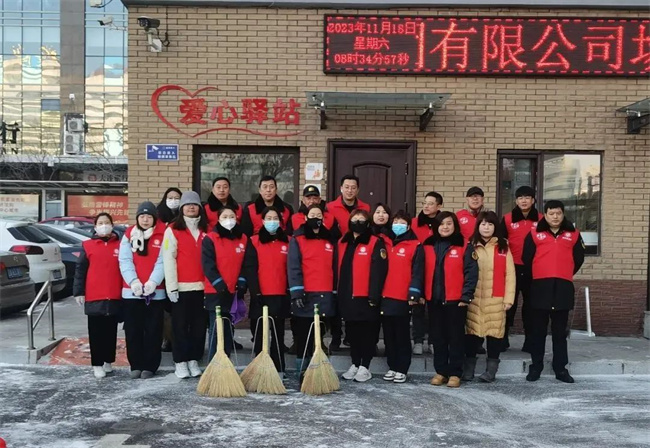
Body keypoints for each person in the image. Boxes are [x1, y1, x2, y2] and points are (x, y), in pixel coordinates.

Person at [522, 200, 585, 384]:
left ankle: (560, 368)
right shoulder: (534, 233)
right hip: (540, 287)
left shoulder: (573, 234)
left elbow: (579, 259)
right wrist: (540, 273)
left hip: (563, 288)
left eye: (558, 213)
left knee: (559, 333)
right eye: (551, 213)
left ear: (563, 214)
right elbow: (527, 258)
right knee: (538, 331)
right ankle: (536, 367)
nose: (555, 217)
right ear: (545, 215)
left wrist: (564, 272)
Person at [424, 211, 478, 388]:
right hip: (434, 299)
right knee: (438, 337)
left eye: (449, 223)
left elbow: (471, 272)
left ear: (455, 226)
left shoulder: (464, 245)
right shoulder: (428, 245)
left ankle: (455, 372)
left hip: (456, 300)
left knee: (455, 337)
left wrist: (466, 295)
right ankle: (441, 371)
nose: (445, 227)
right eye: (441, 224)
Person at [462, 211, 515, 383]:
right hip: (474, 297)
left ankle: (491, 371)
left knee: (494, 334)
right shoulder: (470, 245)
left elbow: (510, 275)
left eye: (490, 224)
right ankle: (468, 368)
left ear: (495, 227)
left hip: (496, 297)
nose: (486, 227)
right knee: (471, 334)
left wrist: (508, 299)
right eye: (483, 224)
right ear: (478, 226)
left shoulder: (503, 247)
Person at [338, 209, 388, 383]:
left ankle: (365, 366)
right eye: (355, 219)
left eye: (361, 219)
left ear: (367, 223)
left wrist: (374, 295)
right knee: (352, 332)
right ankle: (355, 363)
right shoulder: (343, 242)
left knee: (367, 333)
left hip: (366, 296)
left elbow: (379, 271)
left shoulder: (375, 242)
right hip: (347, 295)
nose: (357, 222)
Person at [162, 191, 208, 379]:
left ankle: (193, 359)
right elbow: (168, 258)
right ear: (182, 208)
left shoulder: (206, 230)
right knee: (180, 326)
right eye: (187, 204)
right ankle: (180, 361)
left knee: (199, 327)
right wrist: (171, 287)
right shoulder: (173, 229)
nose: (191, 207)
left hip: (203, 288)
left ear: (199, 208)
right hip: (181, 288)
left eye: (194, 204)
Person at [287, 204, 337, 378]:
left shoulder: (329, 239)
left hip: (325, 292)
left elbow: (334, 267)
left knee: (320, 332)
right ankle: (302, 367)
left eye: (319, 215)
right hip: (305, 293)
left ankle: (317, 369)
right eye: (312, 214)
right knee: (303, 333)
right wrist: (297, 291)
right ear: (306, 217)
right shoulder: (298, 239)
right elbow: (293, 266)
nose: (316, 218)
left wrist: (335, 290)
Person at [119, 202, 166, 379]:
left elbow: (163, 260)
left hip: (155, 292)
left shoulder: (163, 234)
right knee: (133, 330)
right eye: (142, 216)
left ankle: (150, 366)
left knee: (153, 331)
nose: (145, 220)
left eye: (149, 216)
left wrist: (154, 281)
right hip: (132, 292)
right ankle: (135, 364)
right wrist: (133, 281)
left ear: (154, 218)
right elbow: (124, 260)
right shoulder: (129, 234)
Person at [73, 213, 122, 379]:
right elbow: (80, 270)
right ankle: (97, 363)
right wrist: (79, 291)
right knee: (96, 332)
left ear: (112, 225)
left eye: (107, 222)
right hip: (94, 295)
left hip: (114, 294)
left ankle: (108, 360)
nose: (104, 226)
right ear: (95, 227)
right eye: (100, 223)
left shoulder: (120, 245)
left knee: (111, 331)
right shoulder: (88, 246)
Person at [244, 206, 291, 374]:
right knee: (260, 335)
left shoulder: (288, 241)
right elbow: (250, 268)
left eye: (275, 218)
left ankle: (279, 369)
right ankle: (259, 370)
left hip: (280, 293)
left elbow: (291, 268)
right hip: (260, 294)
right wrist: (255, 291)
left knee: (278, 335)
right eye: (269, 219)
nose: (272, 222)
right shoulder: (254, 241)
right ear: (263, 221)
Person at [202, 206, 251, 362]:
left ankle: (226, 363)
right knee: (216, 330)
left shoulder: (243, 238)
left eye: (232, 216)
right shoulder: (210, 238)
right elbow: (208, 265)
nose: (228, 220)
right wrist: (220, 285)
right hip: (215, 292)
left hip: (234, 291)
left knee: (229, 329)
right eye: (224, 216)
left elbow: (246, 264)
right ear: (218, 219)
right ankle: (214, 364)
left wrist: (242, 283)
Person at [381, 211, 424, 384]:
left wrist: (414, 293)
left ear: (408, 226)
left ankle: (402, 368)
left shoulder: (415, 245)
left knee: (401, 334)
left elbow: (418, 271)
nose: (398, 225)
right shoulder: (384, 242)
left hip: (402, 296)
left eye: (402, 222)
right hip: (385, 295)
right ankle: (392, 366)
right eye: (396, 221)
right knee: (388, 335)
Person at [500, 186, 540, 352]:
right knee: (509, 305)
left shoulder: (542, 219)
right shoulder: (507, 219)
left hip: (533, 268)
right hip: (512, 268)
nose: (524, 201)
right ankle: (502, 340)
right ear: (516, 201)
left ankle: (530, 342)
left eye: (527, 197)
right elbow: (500, 244)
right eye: (520, 198)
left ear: (533, 200)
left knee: (531, 307)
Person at [411, 191, 443, 356]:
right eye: (425, 203)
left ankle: (432, 340)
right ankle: (417, 340)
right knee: (417, 306)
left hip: (437, 270)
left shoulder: (443, 223)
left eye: (431, 203)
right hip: (417, 269)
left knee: (434, 309)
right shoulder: (414, 223)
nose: (426, 206)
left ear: (439, 206)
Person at [156, 187, 182, 352]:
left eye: (177, 197)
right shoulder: (158, 218)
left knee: (175, 309)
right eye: (170, 197)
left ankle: (174, 339)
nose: (173, 201)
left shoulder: (183, 219)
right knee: (163, 309)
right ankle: (165, 338)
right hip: (160, 268)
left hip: (179, 269)